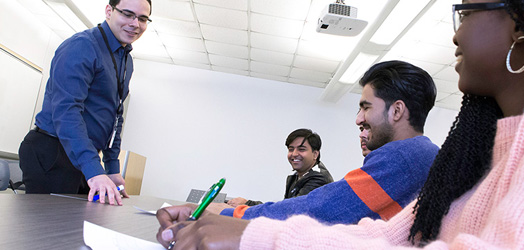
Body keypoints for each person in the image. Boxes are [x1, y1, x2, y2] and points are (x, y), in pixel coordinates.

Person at [156, 0, 524, 249]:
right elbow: (385, 237)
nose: (456, 34)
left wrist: (245, 224)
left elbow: (325, 211)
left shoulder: (409, 156)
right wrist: (243, 224)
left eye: (466, 12)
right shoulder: (483, 156)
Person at [155, 59, 441, 247]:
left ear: (397, 110)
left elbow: (322, 209)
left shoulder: (405, 156)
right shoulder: (419, 155)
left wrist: (230, 213)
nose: (358, 119)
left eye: (366, 106)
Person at [18, 0, 152, 205]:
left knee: (80, 228)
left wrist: (112, 168)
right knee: (51, 231)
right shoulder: (83, 46)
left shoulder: (125, 59)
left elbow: (116, 115)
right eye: (128, 14)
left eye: (142, 18)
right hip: (54, 150)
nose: (135, 23)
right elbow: (67, 111)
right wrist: (93, 170)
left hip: (82, 155)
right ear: (109, 11)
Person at [227, 129, 334, 208]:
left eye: (301, 149)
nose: (294, 154)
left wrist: (248, 204)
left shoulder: (318, 178)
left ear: (315, 154)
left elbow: (288, 210)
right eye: (291, 149)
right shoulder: (295, 175)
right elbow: (284, 206)